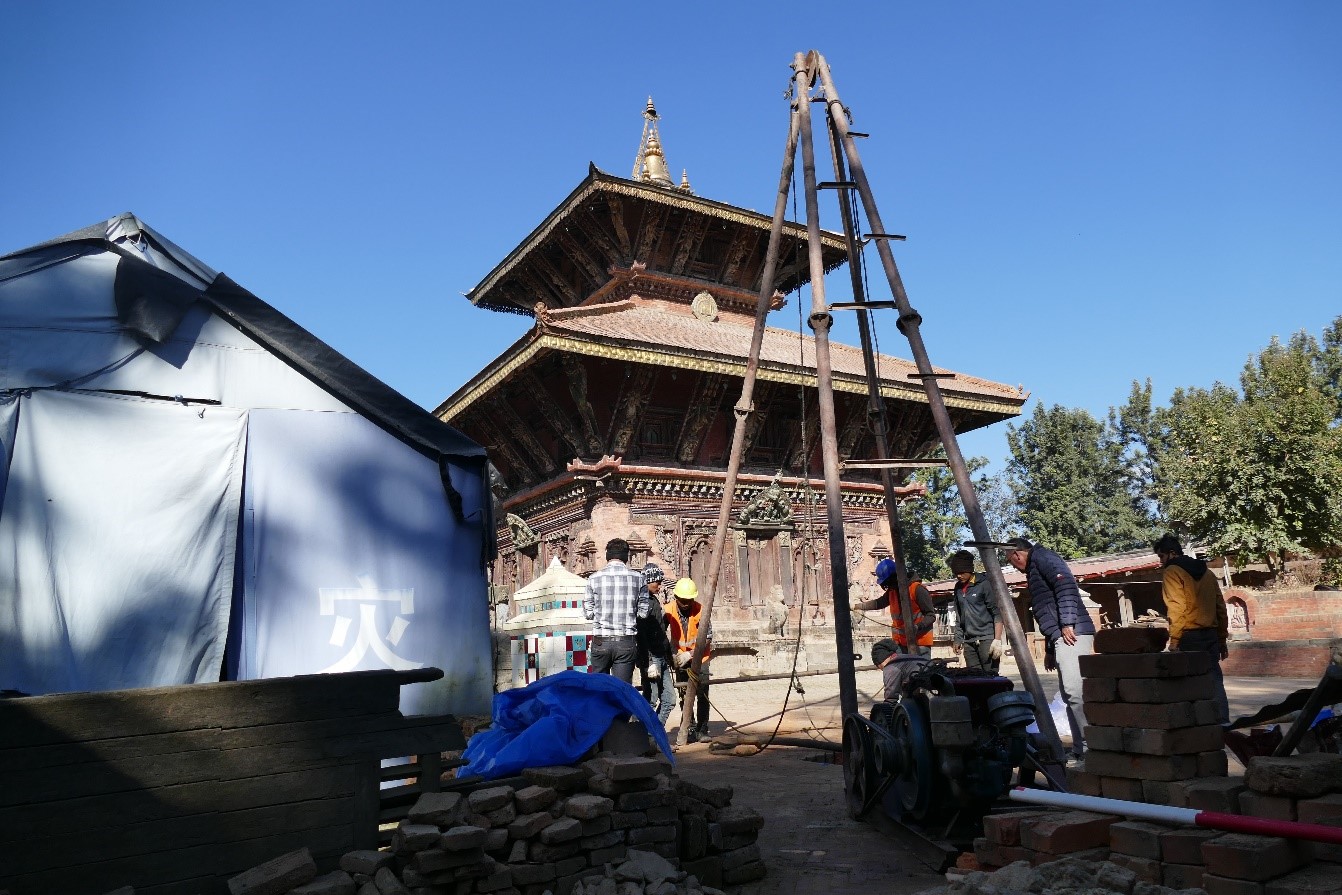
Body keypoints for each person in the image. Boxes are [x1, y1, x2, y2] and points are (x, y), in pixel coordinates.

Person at [1004, 536, 1094, 759]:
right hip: (1062, 636)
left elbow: (1065, 585)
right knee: (1068, 695)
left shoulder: (1044, 557)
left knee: (1076, 692)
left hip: (1074, 632)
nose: (1014, 567)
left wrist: (1067, 623)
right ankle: (1080, 750)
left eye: (1011, 561)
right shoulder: (1035, 567)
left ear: (1016, 554)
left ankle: (1092, 748)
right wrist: (1051, 650)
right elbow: (1048, 606)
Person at [1154, 533, 1230, 724]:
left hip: (1189, 636)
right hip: (1211, 635)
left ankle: (1199, 729)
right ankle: (1222, 724)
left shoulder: (1172, 572)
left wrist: (1175, 641)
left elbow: (1176, 607)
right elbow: (1220, 607)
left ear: (1172, 554)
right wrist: (1222, 639)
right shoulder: (1208, 573)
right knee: (1214, 680)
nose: (1161, 561)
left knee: (1190, 685)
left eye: (1161, 556)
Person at [582, 538, 651, 684]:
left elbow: (588, 613)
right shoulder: (639, 579)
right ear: (627, 556)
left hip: (601, 642)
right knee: (621, 691)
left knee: (599, 691)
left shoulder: (593, 579)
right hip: (626, 642)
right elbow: (643, 613)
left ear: (607, 555)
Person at [852, 558, 934, 657]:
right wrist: (857, 606)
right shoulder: (892, 591)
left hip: (920, 643)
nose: (888, 586)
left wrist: (918, 627)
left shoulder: (917, 590)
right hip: (900, 643)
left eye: (889, 582)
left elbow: (931, 615)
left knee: (920, 671)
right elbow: (878, 603)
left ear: (896, 576)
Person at [667, 577, 712, 742]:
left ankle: (703, 729)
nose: (686, 604)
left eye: (689, 600)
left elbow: (708, 636)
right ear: (676, 598)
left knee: (702, 694)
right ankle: (690, 727)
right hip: (680, 658)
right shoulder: (668, 609)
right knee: (684, 695)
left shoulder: (701, 610)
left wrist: (691, 654)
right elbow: (660, 634)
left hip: (701, 658)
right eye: (683, 601)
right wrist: (671, 655)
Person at [948, 550, 1005, 674]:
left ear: (970, 570)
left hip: (987, 639)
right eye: (956, 573)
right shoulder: (958, 588)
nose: (959, 576)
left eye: (962, 573)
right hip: (969, 642)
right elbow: (959, 616)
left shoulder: (984, 584)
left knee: (991, 677)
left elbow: (997, 613)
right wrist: (958, 639)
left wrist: (997, 640)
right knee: (975, 677)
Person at [637, 562, 676, 727]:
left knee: (669, 699)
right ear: (647, 581)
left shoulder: (653, 600)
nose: (660, 585)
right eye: (657, 582)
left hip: (661, 655)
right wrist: (649, 661)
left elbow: (659, 630)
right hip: (651, 657)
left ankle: (654, 734)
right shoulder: (643, 603)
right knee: (650, 700)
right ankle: (645, 737)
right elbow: (641, 633)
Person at [871, 637, 928, 701]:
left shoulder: (891, 667)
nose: (882, 670)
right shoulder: (906, 658)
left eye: (880, 667)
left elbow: (891, 697)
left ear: (880, 662)